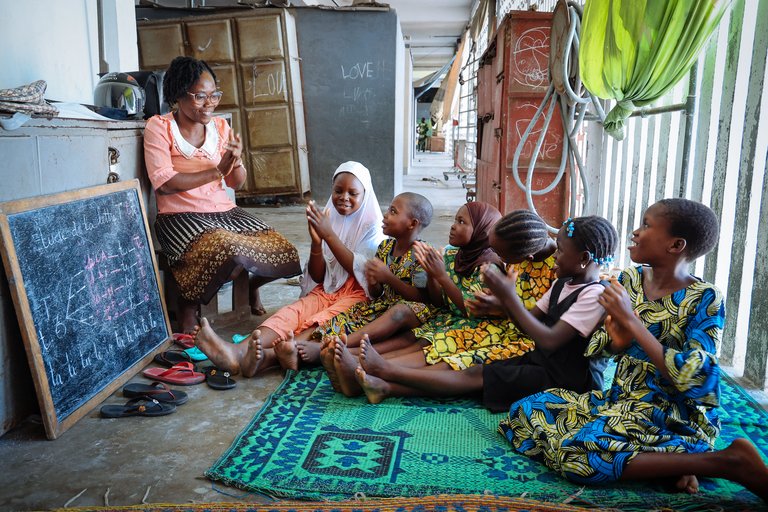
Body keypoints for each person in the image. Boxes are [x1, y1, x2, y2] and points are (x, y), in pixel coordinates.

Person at [500, 199, 768, 501]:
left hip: (670, 414)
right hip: (621, 400)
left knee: (578, 457)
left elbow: (698, 380)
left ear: (676, 245)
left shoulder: (705, 297)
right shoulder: (630, 280)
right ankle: (672, 462)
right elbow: (601, 347)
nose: (636, 233)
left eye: (647, 225)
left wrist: (634, 325)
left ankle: (728, 462)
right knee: (527, 409)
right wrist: (619, 341)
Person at [353, 215, 618, 412]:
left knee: (477, 378)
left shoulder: (594, 295)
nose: (557, 255)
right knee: (476, 374)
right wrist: (500, 305)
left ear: (583, 258)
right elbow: (530, 321)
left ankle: (387, 371)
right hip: (544, 363)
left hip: (568, 382)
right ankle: (386, 386)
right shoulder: (564, 283)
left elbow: (548, 339)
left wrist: (507, 296)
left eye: (561, 250)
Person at [144, 56, 301, 333]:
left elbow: (236, 183)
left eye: (214, 95)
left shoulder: (220, 128)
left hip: (224, 213)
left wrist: (236, 161)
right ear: (178, 95)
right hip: (180, 217)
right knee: (224, 246)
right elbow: (165, 183)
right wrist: (217, 171)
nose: (210, 104)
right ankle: (188, 304)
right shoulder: (159, 127)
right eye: (200, 97)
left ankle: (252, 285)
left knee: (282, 248)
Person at [194, 161, 385, 376]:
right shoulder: (330, 217)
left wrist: (328, 235)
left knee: (323, 320)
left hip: (359, 296)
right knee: (291, 313)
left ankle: (269, 357)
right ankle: (237, 351)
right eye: (338, 191)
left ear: (365, 195)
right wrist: (316, 243)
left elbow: (362, 276)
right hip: (329, 289)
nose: (344, 197)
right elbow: (319, 276)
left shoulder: (374, 229)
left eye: (353, 193)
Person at [311, 192, 435, 394]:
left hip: (414, 312)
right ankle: (319, 342)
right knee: (353, 313)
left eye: (393, 211)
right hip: (385, 307)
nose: (385, 215)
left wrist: (389, 278)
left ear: (412, 224)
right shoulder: (385, 247)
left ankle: (338, 345)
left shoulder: (422, 253)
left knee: (400, 310)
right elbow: (378, 294)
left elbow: (423, 298)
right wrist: (374, 282)